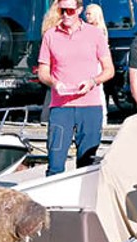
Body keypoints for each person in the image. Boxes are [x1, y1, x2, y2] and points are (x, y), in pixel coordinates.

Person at [38, 0, 114, 176]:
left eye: (70, 11)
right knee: (55, 164)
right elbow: (42, 71)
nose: (65, 14)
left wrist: (93, 82)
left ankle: (85, 202)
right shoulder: (50, 35)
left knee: (87, 166)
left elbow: (109, 70)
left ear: (79, 10)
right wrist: (55, 83)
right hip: (61, 107)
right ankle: (51, 202)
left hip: (90, 106)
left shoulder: (95, 34)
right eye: (62, 10)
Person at [85, 3, 109, 125]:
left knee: (98, 90)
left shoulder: (99, 31)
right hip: (88, 63)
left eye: (89, 14)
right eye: (86, 14)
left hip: (96, 64)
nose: (87, 16)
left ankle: (102, 118)